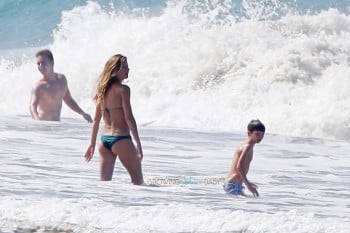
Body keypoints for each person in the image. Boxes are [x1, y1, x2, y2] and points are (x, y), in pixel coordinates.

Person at [84, 54, 143, 184]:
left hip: (104, 142)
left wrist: (92, 144)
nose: (128, 69)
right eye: (125, 66)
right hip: (121, 139)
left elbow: (96, 120)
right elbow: (129, 118)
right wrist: (138, 143)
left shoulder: (102, 91)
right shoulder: (123, 90)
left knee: (104, 186)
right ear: (116, 70)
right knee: (139, 182)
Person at [30, 49, 92, 122]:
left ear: (52, 63)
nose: (40, 66)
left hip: (57, 126)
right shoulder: (39, 86)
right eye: (38, 64)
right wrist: (37, 120)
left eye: (43, 63)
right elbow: (32, 106)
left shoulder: (62, 80)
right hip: (44, 128)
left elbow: (69, 100)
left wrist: (82, 113)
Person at [224, 120, 265, 197]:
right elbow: (239, 167)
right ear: (249, 133)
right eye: (257, 134)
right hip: (233, 184)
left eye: (262, 134)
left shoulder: (249, 145)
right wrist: (248, 185)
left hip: (234, 183)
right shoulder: (247, 146)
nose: (260, 137)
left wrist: (246, 182)